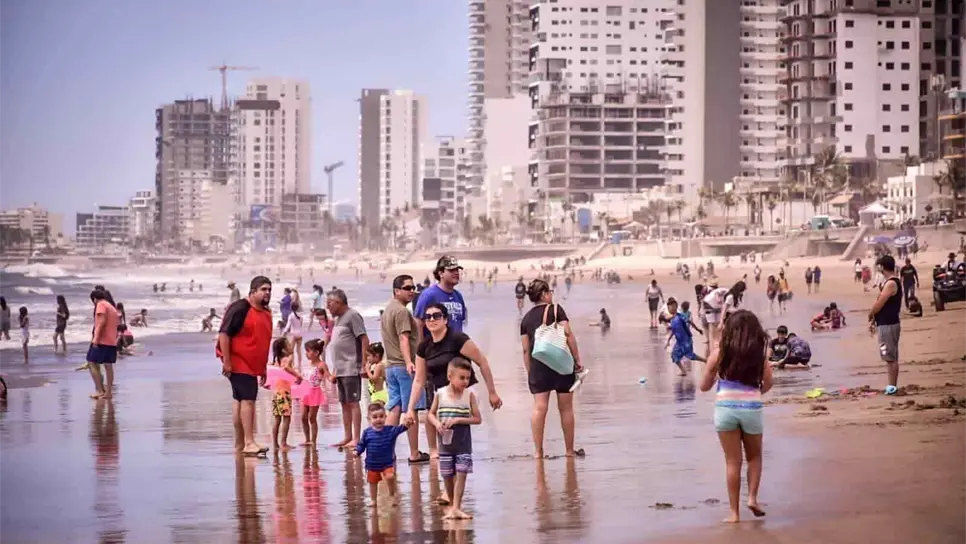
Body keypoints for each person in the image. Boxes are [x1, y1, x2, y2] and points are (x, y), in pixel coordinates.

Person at [405, 302, 503, 464]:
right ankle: (446, 461)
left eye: (436, 316)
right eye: (428, 317)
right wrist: (410, 409)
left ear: (445, 319)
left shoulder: (457, 339)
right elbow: (419, 380)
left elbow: (482, 362)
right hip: (442, 394)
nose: (431, 320)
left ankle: (457, 462)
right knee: (438, 422)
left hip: (465, 391)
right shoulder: (424, 347)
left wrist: (492, 392)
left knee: (451, 425)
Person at [700, 310, 772, 523]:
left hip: (725, 409)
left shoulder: (719, 354)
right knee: (754, 457)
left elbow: (704, 386)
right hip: (751, 408)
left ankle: (734, 513)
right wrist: (754, 394)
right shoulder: (759, 357)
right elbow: (769, 383)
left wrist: (715, 377)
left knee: (732, 461)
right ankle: (752, 499)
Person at [519, 279, 583, 458]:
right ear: (544, 294)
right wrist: (577, 360)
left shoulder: (526, 319)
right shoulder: (556, 310)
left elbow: (525, 350)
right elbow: (568, 334)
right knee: (566, 408)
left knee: (539, 408)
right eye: (549, 292)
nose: (551, 295)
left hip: (539, 366)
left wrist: (530, 371)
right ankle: (569, 451)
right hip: (562, 364)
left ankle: (538, 452)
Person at [218, 276, 274, 456]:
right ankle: (249, 442)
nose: (267, 293)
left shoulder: (265, 312)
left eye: (269, 290)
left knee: (240, 400)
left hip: (252, 364)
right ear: (252, 292)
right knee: (248, 400)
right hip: (238, 361)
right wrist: (227, 361)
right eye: (263, 289)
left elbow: (263, 342)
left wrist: (263, 368)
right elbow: (224, 334)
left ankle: (240, 444)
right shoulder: (240, 308)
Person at [380, 274, 428, 463]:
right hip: (403, 366)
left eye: (413, 287)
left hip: (391, 366)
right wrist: (409, 361)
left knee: (395, 407)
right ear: (397, 290)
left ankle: (385, 450)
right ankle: (414, 453)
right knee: (411, 408)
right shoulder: (401, 311)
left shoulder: (388, 309)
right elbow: (404, 338)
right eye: (407, 288)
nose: (412, 291)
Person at [426, 358, 482, 520]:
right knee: (447, 476)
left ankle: (457, 507)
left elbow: (477, 419)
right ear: (450, 376)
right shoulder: (440, 394)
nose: (465, 381)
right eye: (462, 378)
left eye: (468, 378)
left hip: (463, 444)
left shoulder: (469, 395)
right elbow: (430, 414)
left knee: (461, 474)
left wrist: (458, 420)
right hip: (445, 444)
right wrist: (437, 423)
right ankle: (452, 507)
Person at [326, 288, 370, 449]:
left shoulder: (352, 315)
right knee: (344, 403)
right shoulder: (338, 319)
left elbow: (364, 339)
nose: (327, 307)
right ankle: (347, 436)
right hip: (340, 369)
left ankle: (356, 438)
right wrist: (334, 371)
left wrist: (363, 365)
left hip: (351, 366)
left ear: (338, 302)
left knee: (353, 402)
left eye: (329, 303)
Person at [353, 403, 412, 509]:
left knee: (390, 476)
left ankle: (392, 494)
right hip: (372, 464)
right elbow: (362, 444)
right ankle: (373, 500)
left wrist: (407, 424)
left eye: (381, 416)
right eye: (375, 417)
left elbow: (400, 429)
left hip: (387, 462)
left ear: (385, 417)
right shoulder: (367, 433)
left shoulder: (390, 430)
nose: (378, 419)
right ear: (369, 419)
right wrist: (357, 451)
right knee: (373, 482)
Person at [868, 255, 903, 394]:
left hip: (888, 325)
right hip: (886, 324)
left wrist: (871, 314)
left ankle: (892, 387)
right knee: (889, 356)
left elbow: (879, 303)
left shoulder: (891, 283)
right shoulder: (889, 282)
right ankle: (891, 386)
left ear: (882, 267)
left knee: (890, 356)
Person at [414, 256, 468, 335]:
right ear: (441, 273)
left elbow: (460, 323)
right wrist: (421, 343)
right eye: (451, 270)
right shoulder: (429, 295)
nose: (456, 273)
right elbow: (418, 323)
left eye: (457, 270)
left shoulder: (458, 296)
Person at [269, 337, 303, 452]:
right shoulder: (286, 359)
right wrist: (298, 375)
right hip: (284, 393)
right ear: (283, 349)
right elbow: (286, 367)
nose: (290, 346)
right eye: (288, 344)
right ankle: (283, 443)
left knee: (277, 419)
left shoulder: (275, 361)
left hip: (276, 392)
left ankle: (275, 443)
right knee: (287, 418)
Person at [87, 289, 119, 398]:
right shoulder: (111, 307)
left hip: (102, 340)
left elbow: (101, 322)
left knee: (91, 362)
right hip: (111, 341)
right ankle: (108, 392)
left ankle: (100, 390)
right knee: (108, 366)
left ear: (94, 299)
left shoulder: (100, 305)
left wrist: (96, 339)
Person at [299, 338, 329, 447]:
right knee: (303, 417)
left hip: (314, 393)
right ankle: (307, 439)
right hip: (305, 392)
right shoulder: (307, 364)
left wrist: (333, 377)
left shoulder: (321, 365)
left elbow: (328, 376)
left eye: (308, 351)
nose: (306, 353)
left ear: (316, 353)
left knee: (312, 417)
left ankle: (313, 440)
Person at [666, 301, 707, 376]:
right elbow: (673, 331)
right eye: (668, 308)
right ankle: (683, 371)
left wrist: (698, 329)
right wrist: (668, 340)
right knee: (674, 355)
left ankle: (706, 361)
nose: (669, 309)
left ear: (675, 306)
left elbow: (690, 322)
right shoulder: (672, 320)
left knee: (690, 355)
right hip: (679, 342)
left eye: (670, 307)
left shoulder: (680, 316)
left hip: (686, 340)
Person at [282, 302, 304, 367]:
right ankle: (299, 364)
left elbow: (288, 326)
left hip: (293, 334)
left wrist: (284, 333)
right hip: (300, 334)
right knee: (298, 350)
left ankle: (293, 364)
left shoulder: (291, 316)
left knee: (291, 351)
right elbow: (301, 325)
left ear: (291, 308)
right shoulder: (301, 316)